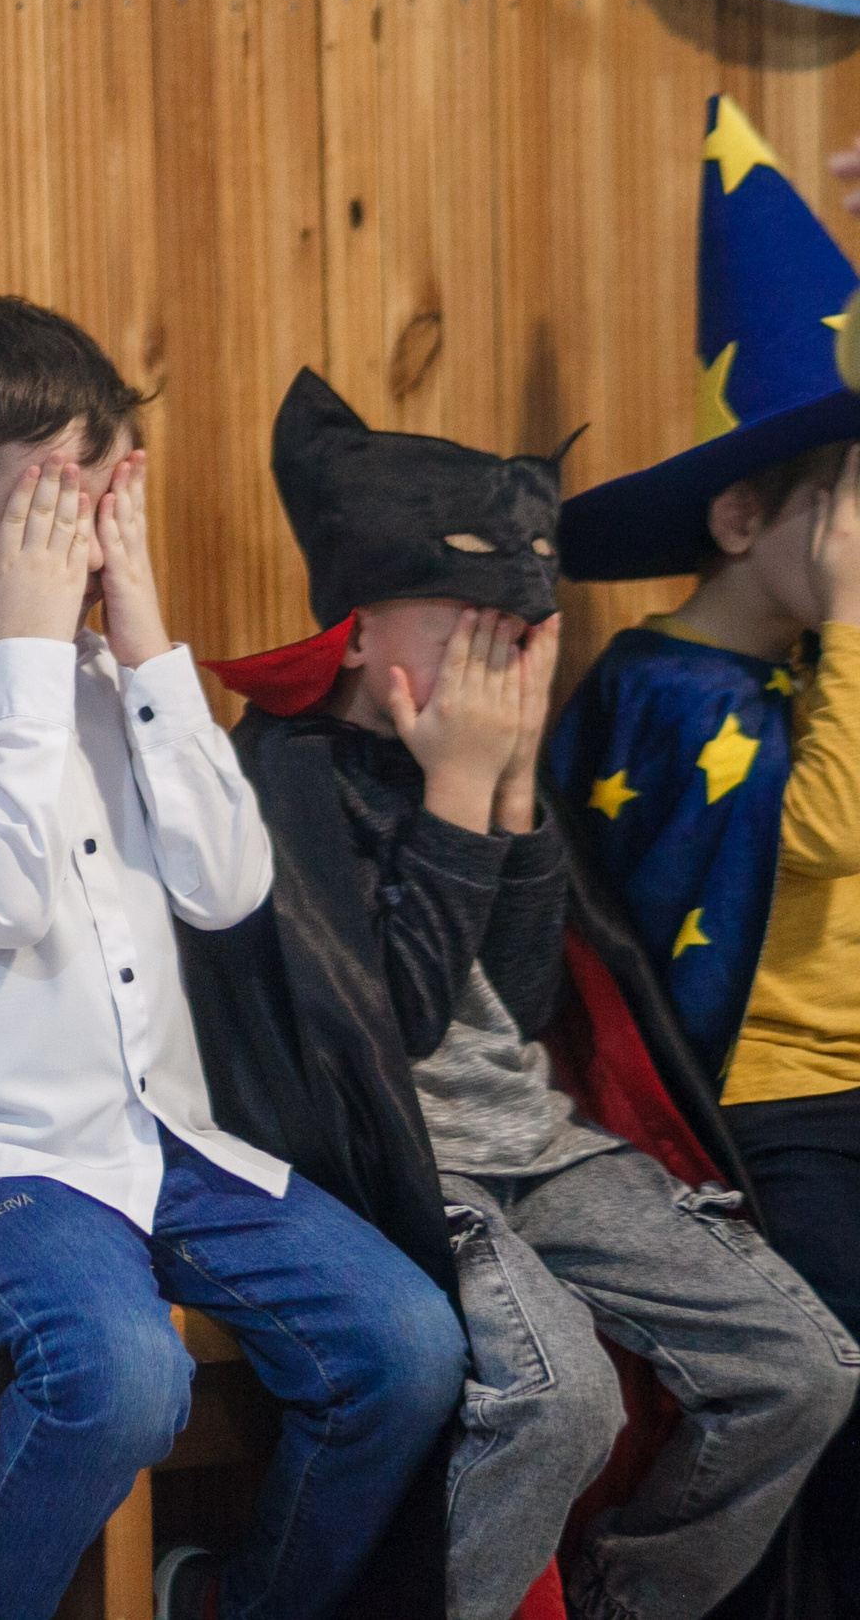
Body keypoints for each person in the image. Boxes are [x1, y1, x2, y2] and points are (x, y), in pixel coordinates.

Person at [0, 295, 466, 1620]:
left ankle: (227, 1600)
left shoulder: (114, 680)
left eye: (98, 502)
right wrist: (28, 652)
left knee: (406, 1346)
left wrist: (146, 633)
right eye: (48, 505)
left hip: (163, 1140)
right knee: (121, 1378)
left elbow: (229, 888)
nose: (80, 540)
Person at [188, 367, 859, 1620]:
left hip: (535, 1147)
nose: (494, 657)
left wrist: (506, 797)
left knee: (799, 1367)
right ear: (360, 630)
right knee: (560, 1399)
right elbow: (392, 1030)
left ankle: (620, 1603)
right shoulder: (284, 775)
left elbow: (516, 987)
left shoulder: (474, 754)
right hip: (401, 1164)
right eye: (463, 621)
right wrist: (458, 793)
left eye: (517, 629)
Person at [553, 95, 860, 1617]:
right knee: (833, 1361)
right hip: (759, 1113)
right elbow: (825, 827)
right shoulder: (666, 692)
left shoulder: (811, 677)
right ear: (741, 516)